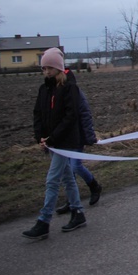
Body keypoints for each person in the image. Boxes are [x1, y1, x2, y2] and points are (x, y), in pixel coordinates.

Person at [22, 47, 87, 240]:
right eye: (44, 68)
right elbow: (38, 114)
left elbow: (71, 116)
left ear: (58, 68)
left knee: (52, 180)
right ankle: (78, 213)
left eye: (50, 68)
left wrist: (53, 138)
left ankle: (44, 221)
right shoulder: (44, 89)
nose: (47, 72)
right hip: (51, 142)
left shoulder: (69, 88)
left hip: (64, 142)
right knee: (67, 178)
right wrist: (40, 137)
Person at [55, 69, 102, 214]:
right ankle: (72, 200)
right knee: (67, 170)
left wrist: (89, 136)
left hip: (77, 136)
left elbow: (85, 114)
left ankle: (94, 186)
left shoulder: (76, 94)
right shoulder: (56, 94)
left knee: (75, 166)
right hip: (64, 139)